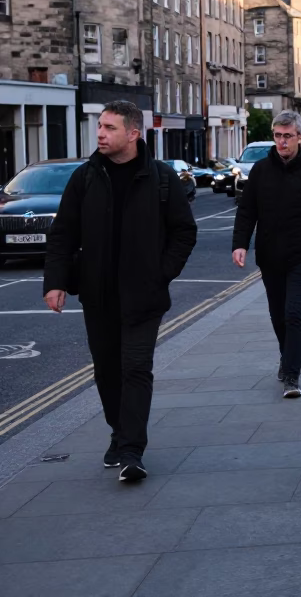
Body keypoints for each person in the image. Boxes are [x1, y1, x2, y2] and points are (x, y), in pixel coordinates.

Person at [43, 101, 197, 482]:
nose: (100, 134)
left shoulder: (160, 179)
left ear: (133, 133)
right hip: (98, 295)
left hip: (144, 297)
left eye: (109, 128)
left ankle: (131, 450)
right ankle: (119, 433)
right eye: (99, 126)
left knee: (136, 369)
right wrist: (56, 282)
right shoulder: (86, 177)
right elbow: (63, 233)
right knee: (107, 372)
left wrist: (161, 274)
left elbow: (184, 232)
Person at [231, 110, 301, 399]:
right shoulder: (262, 171)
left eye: (288, 136)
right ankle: (285, 356)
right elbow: (247, 211)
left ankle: (291, 375)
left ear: (300, 138)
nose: (282, 142)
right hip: (270, 255)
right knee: (277, 314)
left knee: (294, 313)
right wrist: (239, 244)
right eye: (277, 136)